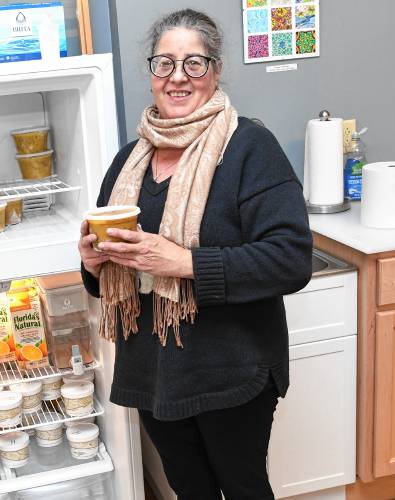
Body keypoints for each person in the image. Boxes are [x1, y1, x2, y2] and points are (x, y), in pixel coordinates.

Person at [78, 8, 312, 500]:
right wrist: (93, 263)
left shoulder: (249, 147)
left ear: (216, 70)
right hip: (154, 370)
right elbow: (110, 280)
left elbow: (291, 258)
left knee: (243, 488)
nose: (178, 77)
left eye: (194, 63)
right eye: (164, 64)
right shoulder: (130, 160)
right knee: (189, 490)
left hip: (232, 367)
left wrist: (182, 262)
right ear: (151, 74)